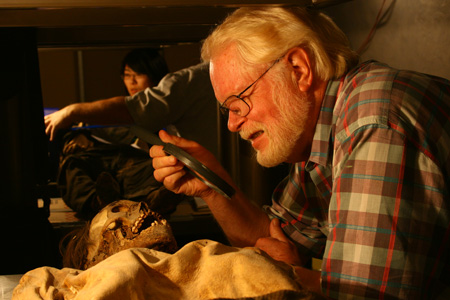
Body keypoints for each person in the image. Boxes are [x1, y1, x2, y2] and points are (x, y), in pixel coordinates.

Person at [149, 6, 450, 299]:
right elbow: (272, 237)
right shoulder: (319, 130)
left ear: (298, 69)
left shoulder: (371, 123)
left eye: (238, 102)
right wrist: (210, 185)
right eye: (226, 110)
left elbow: (360, 294)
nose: (231, 123)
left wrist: (288, 278)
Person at [45, 48, 218, 219]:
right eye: (127, 75)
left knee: (162, 172)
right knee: (73, 164)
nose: (132, 82)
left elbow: (133, 113)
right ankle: (103, 204)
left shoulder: (162, 105)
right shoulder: (113, 116)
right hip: (116, 174)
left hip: (147, 172)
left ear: (155, 75)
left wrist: (74, 111)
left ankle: (136, 203)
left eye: (139, 74)